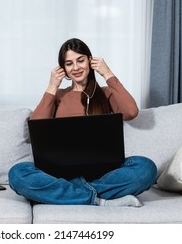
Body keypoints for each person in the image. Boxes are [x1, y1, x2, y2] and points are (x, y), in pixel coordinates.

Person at [8, 38, 157, 207]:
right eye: (69, 63)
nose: (76, 67)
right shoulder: (58, 96)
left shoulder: (106, 93)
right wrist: (52, 86)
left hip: (104, 173)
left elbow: (131, 111)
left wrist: (107, 73)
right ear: (63, 69)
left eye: (80, 60)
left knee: (146, 168)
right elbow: (36, 128)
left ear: (90, 61)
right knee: (17, 173)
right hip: (60, 173)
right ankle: (99, 200)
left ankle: (69, 194)